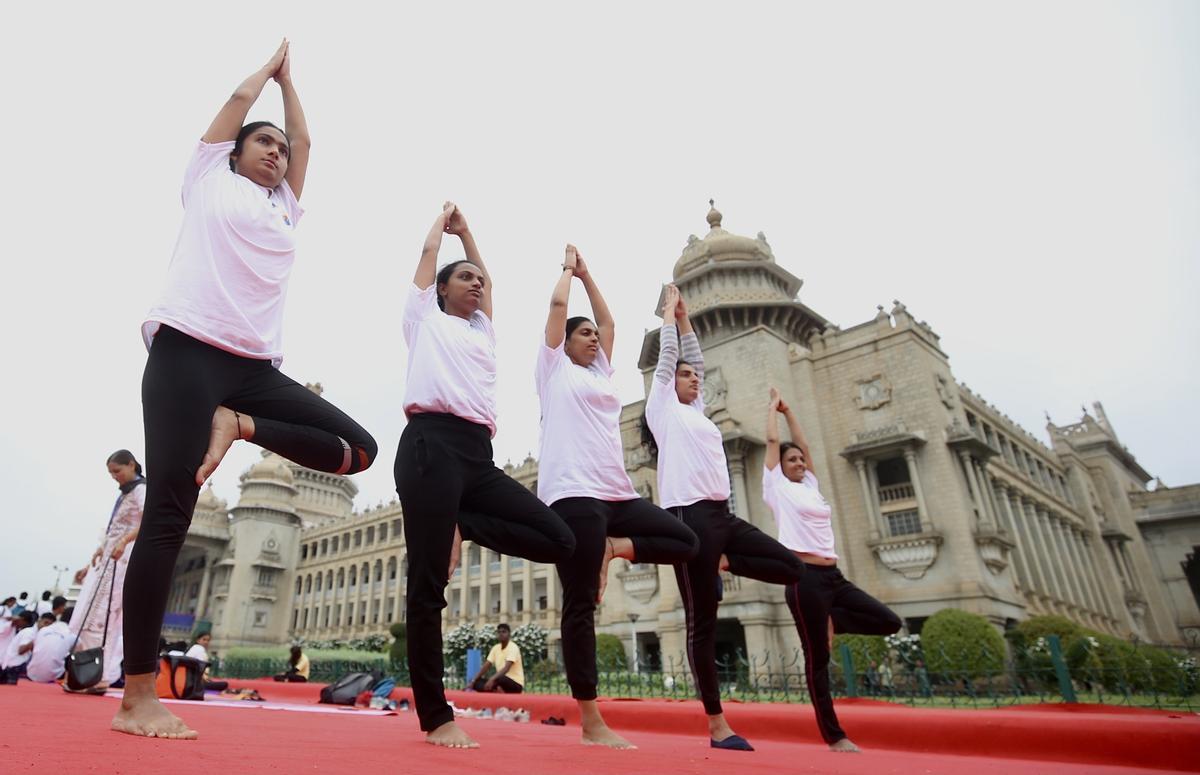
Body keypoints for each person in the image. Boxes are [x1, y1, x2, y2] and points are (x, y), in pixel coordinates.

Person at [115, 41, 377, 741]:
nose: (275, 153)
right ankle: (138, 693)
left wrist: (295, 101)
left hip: (252, 372)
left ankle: (238, 425)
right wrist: (268, 75)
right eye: (262, 143)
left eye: (280, 150)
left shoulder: (284, 209)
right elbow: (232, 110)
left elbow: (309, 139)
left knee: (360, 447)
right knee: (170, 514)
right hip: (185, 353)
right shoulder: (208, 177)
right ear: (233, 152)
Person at [397, 202, 576, 749]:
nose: (475, 283)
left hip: (477, 456)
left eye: (479, 278)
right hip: (430, 446)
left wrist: (473, 238)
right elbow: (430, 255)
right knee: (428, 588)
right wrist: (447, 228)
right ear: (443, 290)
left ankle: (463, 523)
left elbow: (488, 277)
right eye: (465, 278)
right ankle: (436, 715)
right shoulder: (423, 318)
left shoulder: (483, 331)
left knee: (559, 539)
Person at [538, 247, 698, 749]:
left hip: (615, 494)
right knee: (581, 604)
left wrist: (590, 275)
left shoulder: (601, 374)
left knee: (683, 541)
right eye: (582, 334)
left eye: (593, 336)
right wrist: (568, 274)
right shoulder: (553, 371)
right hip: (574, 493)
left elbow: (608, 320)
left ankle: (616, 547)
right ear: (563, 344)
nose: (592, 338)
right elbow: (558, 312)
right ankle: (591, 720)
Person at [643, 284, 808, 751]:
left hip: (722, 516)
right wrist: (670, 318)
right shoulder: (663, 410)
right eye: (686, 376)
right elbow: (672, 355)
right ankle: (718, 726)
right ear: (670, 383)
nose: (695, 379)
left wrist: (688, 319)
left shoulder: (699, 412)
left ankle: (721, 562)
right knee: (702, 624)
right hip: (687, 519)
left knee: (791, 567)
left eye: (697, 376)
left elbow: (690, 351)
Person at [764, 387, 903, 753]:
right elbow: (772, 440)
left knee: (889, 621)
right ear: (780, 466)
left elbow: (805, 445)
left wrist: (792, 409)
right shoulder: (776, 486)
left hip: (833, 577)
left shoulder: (810, 484)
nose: (798, 463)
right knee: (818, 659)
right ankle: (834, 735)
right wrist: (772, 410)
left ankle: (830, 620)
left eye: (799, 460)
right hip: (803, 578)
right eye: (790, 460)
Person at [69, 449, 147, 691]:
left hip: (122, 559)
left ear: (131, 465)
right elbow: (113, 529)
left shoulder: (141, 489)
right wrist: (96, 554)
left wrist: (124, 541)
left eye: (117, 471)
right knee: (93, 614)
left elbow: (146, 520)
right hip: (109, 558)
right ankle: (88, 673)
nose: (114, 476)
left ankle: (97, 675)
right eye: (111, 473)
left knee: (105, 615)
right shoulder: (126, 494)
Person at [467, 623, 523, 694]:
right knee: (478, 682)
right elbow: (486, 666)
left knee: (500, 678)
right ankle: (496, 690)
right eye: (499, 632)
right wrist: (473, 681)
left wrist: (492, 679)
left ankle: (496, 690)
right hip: (498, 681)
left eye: (504, 632)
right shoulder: (495, 648)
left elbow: (506, 668)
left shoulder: (513, 647)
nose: (501, 634)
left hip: (515, 684)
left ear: (509, 634)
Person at [27, 611, 73, 683]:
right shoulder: (72, 633)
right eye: (45, 622)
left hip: (30, 673)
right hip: (55, 676)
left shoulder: (43, 630)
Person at [0, 611, 37, 683]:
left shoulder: (27, 632)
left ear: (23, 620)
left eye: (19, 620)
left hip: (13, 665)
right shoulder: (10, 627)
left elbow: (21, 651)